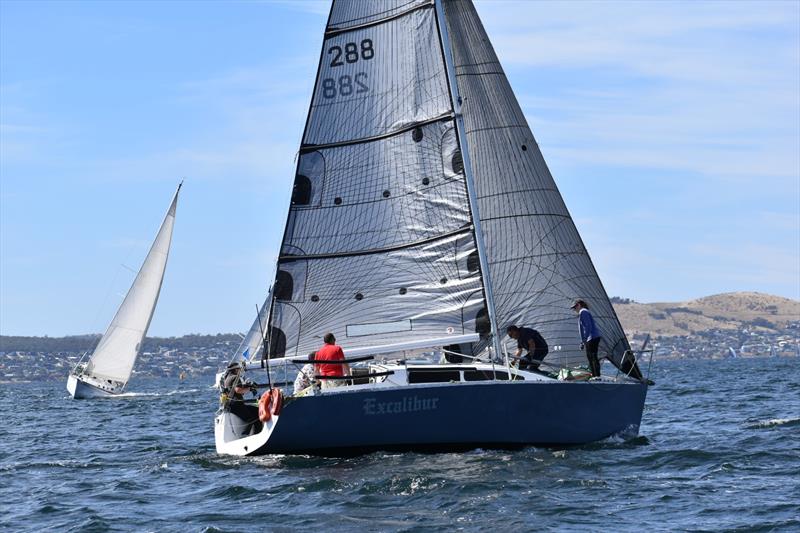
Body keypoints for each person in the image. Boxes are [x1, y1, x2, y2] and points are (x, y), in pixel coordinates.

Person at [571, 299, 602, 377]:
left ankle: (596, 377)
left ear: (579, 305)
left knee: (592, 357)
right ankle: (595, 375)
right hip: (591, 338)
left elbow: (588, 326)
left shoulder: (583, 312)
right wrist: (583, 341)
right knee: (591, 357)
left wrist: (584, 339)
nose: (574, 309)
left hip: (592, 338)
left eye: (575, 307)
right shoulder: (584, 312)